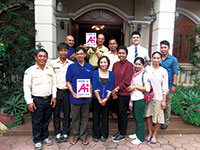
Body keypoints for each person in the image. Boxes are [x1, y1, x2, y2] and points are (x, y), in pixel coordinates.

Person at [23, 49, 56, 150]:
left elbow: (54, 84)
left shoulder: (50, 70)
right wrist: (29, 101)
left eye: (45, 56)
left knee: (46, 119)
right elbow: (26, 87)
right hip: (37, 99)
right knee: (37, 121)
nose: (43, 58)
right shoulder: (30, 71)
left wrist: (54, 96)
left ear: (47, 58)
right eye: (40, 56)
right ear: (35, 58)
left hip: (48, 99)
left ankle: (45, 137)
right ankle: (37, 140)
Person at [66, 47, 93, 146]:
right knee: (75, 117)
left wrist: (91, 91)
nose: (80, 56)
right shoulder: (71, 67)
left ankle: (83, 136)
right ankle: (76, 135)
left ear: (85, 55)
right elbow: (68, 81)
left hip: (86, 97)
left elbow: (91, 82)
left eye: (81, 54)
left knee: (85, 117)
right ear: (75, 56)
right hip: (75, 97)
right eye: (78, 54)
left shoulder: (90, 67)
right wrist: (72, 92)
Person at [50, 43, 74, 143]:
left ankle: (65, 132)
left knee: (67, 113)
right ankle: (57, 132)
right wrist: (53, 94)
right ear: (58, 51)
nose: (63, 52)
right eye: (61, 50)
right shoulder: (53, 63)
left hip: (67, 91)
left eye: (65, 50)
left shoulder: (71, 64)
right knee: (56, 113)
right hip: (57, 91)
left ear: (68, 51)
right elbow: (50, 79)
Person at [144, 51, 169, 144]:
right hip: (148, 97)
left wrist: (164, 100)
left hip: (159, 97)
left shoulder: (163, 71)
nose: (156, 60)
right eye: (154, 58)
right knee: (149, 116)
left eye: (158, 58)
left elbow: (165, 87)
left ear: (161, 59)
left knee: (158, 118)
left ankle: (155, 134)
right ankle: (150, 133)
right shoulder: (147, 69)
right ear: (152, 58)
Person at [111, 46, 134, 142]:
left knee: (123, 114)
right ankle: (119, 131)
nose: (121, 55)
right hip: (115, 93)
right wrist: (113, 92)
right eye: (119, 53)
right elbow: (112, 77)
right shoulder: (115, 64)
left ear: (126, 54)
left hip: (124, 94)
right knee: (118, 114)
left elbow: (127, 80)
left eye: (123, 53)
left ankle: (122, 134)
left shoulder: (129, 65)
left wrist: (116, 89)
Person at [127, 57, 150, 145]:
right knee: (136, 118)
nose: (137, 66)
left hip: (140, 99)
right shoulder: (135, 73)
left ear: (143, 65)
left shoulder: (145, 74)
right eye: (136, 64)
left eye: (139, 64)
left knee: (139, 119)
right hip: (134, 98)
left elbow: (147, 88)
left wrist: (135, 87)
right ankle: (137, 134)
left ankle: (140, 138)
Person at [92, 56, 114, 143]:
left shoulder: (112, 73)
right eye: (101, 62)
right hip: (96, 99)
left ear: (108, 63)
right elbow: (94, 86)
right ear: (98, 64)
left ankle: (104, 134)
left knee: (105, 117)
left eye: (105, 62)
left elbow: (111, 86)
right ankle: (96, 135)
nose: (103, 64)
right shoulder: (95, 73)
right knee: (96, 117)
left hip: (106, 99)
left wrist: (106, 98)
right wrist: (99, 99)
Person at [160, 40, 178, 130]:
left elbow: (175, 73)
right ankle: (159, 120)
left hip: (169, 85)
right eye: (161, 47)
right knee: (159, 103)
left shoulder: (173, 59)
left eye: (165, 47)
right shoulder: (158, 58)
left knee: (167, 104)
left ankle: (165, 122)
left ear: (168, 48)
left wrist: (174, 85)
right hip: (158, 85)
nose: (163, 49)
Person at [103, 38, 119, 119]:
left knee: (115, 94)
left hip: (117, 77)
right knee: (107, 93)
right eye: (111, 44)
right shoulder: (105, 54)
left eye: (114, 43)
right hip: (107, 76)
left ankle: (114, 111)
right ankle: (107, 110)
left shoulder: (120, 55)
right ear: (108, 46)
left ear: (117, 45)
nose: (112, 45)